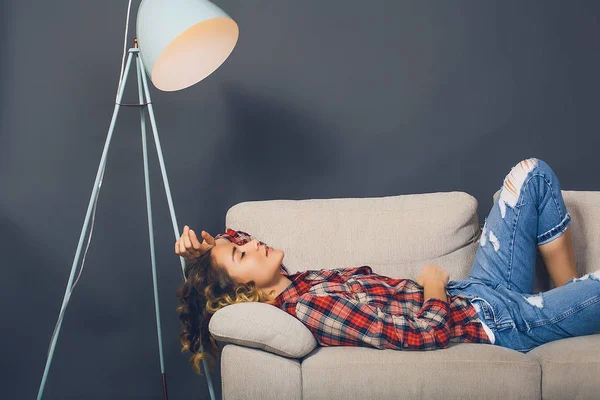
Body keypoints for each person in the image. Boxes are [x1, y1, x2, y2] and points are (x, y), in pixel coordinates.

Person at [174, 158, 600, 376]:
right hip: (495, 322)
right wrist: (433, 287)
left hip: (481, 289)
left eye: (244, 242)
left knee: (532, 175)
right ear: (243, 292)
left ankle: (563, 302)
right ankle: (556, 314)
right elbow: (424, 335)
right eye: (242, 254)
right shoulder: (308, 309)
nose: (253, 244)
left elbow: (240, 239)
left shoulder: (299, 283)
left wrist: (209, 247)